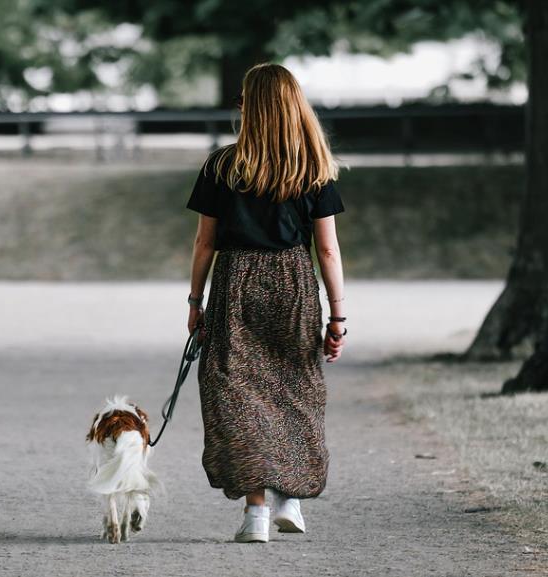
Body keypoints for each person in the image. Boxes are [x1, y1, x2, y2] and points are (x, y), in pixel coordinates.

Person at [185, 62, 347, 543]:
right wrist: (337, 317)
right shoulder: (313, 168)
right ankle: (290, 500)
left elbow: (203, 244)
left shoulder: (222, 165)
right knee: (295, 388)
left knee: (235, 392)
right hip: (294, 282)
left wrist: (195, 300)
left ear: (249, 108)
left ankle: (257, 513)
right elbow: (329, 250)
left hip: (236, 281)